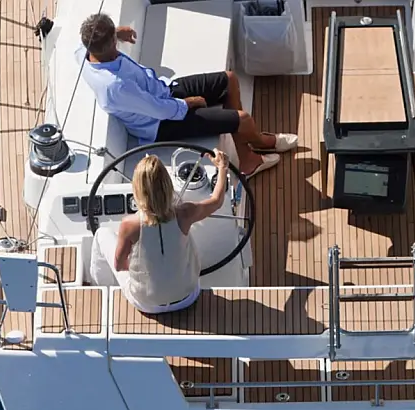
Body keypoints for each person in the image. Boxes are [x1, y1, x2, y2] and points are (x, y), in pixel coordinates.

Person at [76, 12, 297, 178]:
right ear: (110, 45)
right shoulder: (116, 86)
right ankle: (256, 148)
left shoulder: (84, 52)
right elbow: (157, 109)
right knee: (243, 119)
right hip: (161, 123)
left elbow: (91, 42)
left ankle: (245, 151)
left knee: (229, 79)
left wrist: (116, 32)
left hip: (164, 89)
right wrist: (187, 103)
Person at [92, 151, 230, 313]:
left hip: (146, 303)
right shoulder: (185, 213)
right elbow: (216, 201)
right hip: (187, 297)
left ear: (137, 189)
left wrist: (145, 270)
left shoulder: (129, 225)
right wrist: (222, 167)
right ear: (167, 184)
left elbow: (120, 265)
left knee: (101, 234)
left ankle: (101, 291)